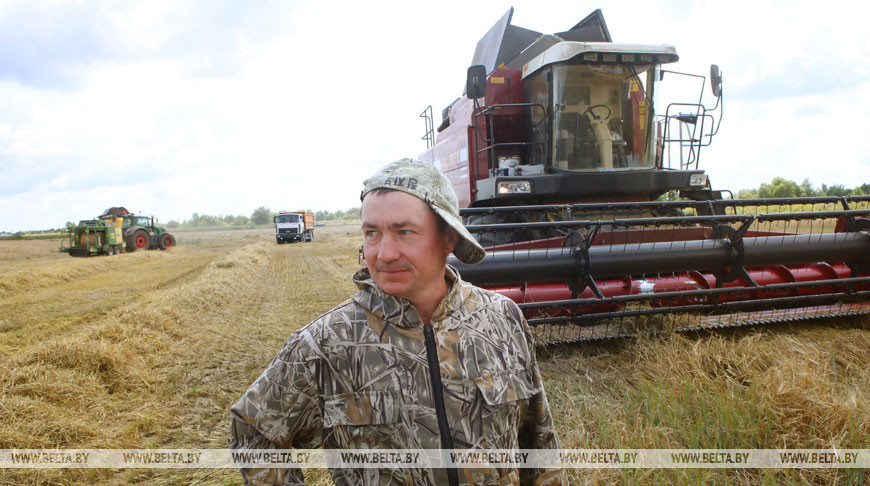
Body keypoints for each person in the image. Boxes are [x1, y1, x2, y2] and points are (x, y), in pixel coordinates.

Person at [229, 159, 566, 485]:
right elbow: (254, 431)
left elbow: (540, 438)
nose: (384, 253)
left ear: (448, 237)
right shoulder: (326, 343)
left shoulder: (501, 318)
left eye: (404, 232)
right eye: (372, 233)